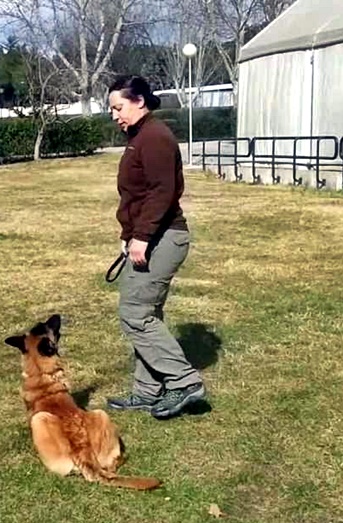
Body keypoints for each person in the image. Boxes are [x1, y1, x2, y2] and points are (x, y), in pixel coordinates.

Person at [105, 75, 206, 420]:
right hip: (149, 236)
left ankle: (184, 381)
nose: (115, 115)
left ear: (139, 101)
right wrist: (129, 232)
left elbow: (163, 192)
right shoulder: (140, 136)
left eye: (118, 107)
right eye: (112, 110)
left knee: (135, 314)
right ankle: (147, 391)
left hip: (163, 238)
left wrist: (143, 236)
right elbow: (138, 194)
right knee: (147, 313)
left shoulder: (155, 137)